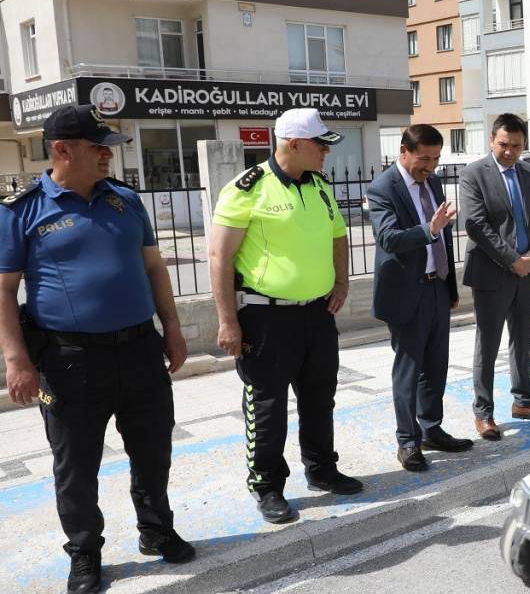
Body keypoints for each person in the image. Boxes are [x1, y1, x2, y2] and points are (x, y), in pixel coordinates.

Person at [0, 104, 193, 594]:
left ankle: (156, 530)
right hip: (69, 362)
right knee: (76, 465)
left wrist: (171, 328)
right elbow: (3, 290)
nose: (108, 155)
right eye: (97, 147)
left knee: (153, 451)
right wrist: (16, 359)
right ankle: (85, 551)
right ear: (62, 149)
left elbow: (154, 269)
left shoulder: (126, 201)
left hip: (139, 351)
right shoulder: (21, 212)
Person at [210, 108, 363, 526]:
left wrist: (342, 283)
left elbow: (338, 236)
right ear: (293, 144)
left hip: (316, 314)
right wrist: (227, 322)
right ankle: (267, 485)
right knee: (268, 405)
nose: (326, 153)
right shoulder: (247, 189)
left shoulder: (318, 187)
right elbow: (219, 258)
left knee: (319, 396)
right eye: (320, 144)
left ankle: (321, 468)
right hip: (265, 319)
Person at [367, 124, 472, 474]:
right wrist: (429, 229)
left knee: (436, 365)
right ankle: (407, 440)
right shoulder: (383, 188)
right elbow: (389, 239)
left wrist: (450, 286)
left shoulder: (434, 181)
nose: (430, 166)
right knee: (409, 370)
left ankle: (431, 429)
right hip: (405, 293)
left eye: (436, 159)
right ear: (403, 152)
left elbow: (445, 238)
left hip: (436, 287)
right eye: (424, 158)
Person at [459, 113, 530, 442]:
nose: (510, 151)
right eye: (504, 144)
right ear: (491, 140)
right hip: (492, 273)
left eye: (517, 145)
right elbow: (476, 225)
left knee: (523, 339)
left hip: (527, 272)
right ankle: (483, 412)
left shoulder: (529, 173)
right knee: (488, 345)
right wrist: (511, 260)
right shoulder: (474, 174)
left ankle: (524, 402)